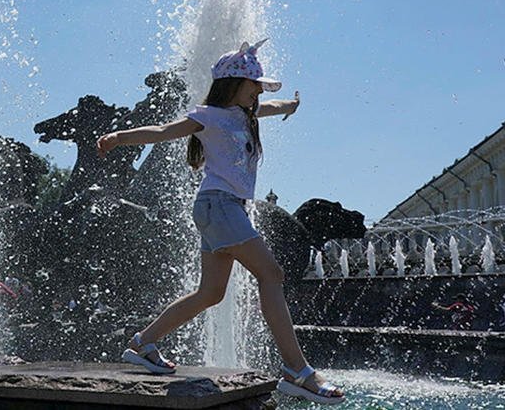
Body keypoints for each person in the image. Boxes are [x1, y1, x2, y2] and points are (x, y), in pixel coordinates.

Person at [96, 39, 344, 405]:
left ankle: (143, 342)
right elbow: (164, 131)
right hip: (219, 206)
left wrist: (291, 104)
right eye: (254, 83)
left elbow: (271, 107)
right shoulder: (209, 116)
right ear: (233, 84)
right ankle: (297, 370)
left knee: (211, 293)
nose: (259, 90)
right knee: (271, 274)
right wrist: (119, 138)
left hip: (223, 210)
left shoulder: (244, 116)